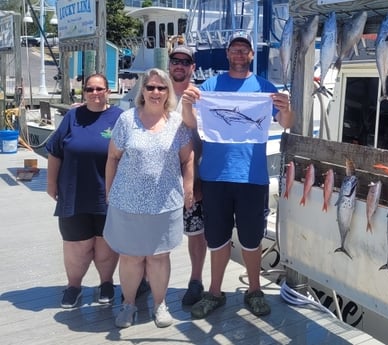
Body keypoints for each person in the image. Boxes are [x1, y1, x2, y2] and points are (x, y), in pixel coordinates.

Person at [181, 31, 294, 319]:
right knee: (217, 238)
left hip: (251, 178)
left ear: (252, 55)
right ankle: (215, 292)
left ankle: (254, 291)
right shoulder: (211, 85)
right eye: (235, 49)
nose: (240, 54)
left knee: (251, 239)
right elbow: (193, 123)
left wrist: (286, 107)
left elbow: (286, 123)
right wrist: (187, 102)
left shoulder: (265, 87)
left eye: (245, 49)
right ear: (228, 54)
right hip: (215, 177)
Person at [103, 68, 195, 328]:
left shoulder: (177, 123)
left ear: (168, 93)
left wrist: (188, 187)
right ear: (142, 91)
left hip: (165, 204)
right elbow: (112, 158)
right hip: (127, 201)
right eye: (150, 87)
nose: (156, 92)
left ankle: (160, 304)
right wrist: (109, 191)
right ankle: (128, 304)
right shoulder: (126, 119)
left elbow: (187, 158)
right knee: (131, 256)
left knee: (158, 257)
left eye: (161, 88)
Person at [46, 74, 122, 309]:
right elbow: (54, 151)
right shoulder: (72, 116)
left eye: (100, 88)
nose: (95, 93)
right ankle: (74, 286)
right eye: (90, 89)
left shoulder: (119, 118)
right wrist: (51, 184)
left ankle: (106, 283)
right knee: (76, 245)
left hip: (108, 195)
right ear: (84, 92)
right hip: (74, 193)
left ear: (109, 91)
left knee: (105, 245)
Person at [168, 44, 208, 306]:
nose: (180, 65)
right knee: (155, 234)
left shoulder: (203, 97)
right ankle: (149, 279)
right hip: (159, 180)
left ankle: (196, 280)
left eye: (186, 61)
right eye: (175, 60)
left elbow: (205, 135)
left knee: (196, 233)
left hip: (194, 179)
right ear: (169, 64)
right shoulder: (155, 91)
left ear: (193, 67)